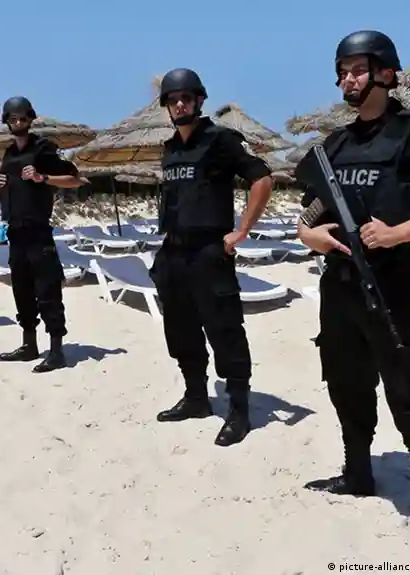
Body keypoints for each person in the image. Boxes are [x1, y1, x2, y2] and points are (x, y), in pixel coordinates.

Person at [295, 31, 410, 554]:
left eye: (357, 69)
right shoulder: (334, 145)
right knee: (345, 382)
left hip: (400, 286)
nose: (347, 79)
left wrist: (397, 234)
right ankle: (357, 471)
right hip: (341, 288)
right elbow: (311, 211)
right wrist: (307, 235)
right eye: (342, 70)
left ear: (386, 73)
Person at [150, 68, 273, 447]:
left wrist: (242, 231)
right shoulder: (170, 148)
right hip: (174, 250)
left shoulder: (220, 139)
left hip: (209, 250)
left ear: (199, 100)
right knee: (180, 329)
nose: (180, 105)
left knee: (225, 330)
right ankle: (196, 398)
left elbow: (263, 179)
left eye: (186, 98)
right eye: (173, 100)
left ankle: (239, 410)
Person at [0, 96, 83, 373]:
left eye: (23, 118)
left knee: (48, 292)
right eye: (13, 119)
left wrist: (43, 177)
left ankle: (56, 352)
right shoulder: (8, 154)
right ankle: (29, 345)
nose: (18, 123)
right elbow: (5, 193)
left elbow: (75, 179)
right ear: (7, 122)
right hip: (15, 233)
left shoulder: (44, 149)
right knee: (21, 291)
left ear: (31, 119)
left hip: (39, 233)